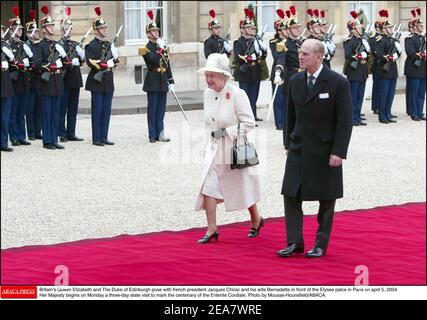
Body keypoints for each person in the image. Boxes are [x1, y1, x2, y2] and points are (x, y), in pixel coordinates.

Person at [278, 39, 353, 258]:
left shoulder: (337, 82)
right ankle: (294, 242)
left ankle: (320, 244)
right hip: (299, 147)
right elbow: (289, 115)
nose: (301, 57)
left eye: (306, 54)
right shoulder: (295, 81)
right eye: (300, 53)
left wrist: (339, 151)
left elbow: (344, 121)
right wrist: (288, 143)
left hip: (325, 150)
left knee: (326, 198)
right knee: (290, 193)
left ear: (319, 57)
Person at [195, 53, 263, 244]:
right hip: (213, 149)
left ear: (224, 76)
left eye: (212, 76)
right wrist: (208, 142)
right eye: (207, 76)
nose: (208, 80)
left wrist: (226, 132)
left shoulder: (237, 94)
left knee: (243, 187)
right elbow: (209, 123)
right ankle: (212, 230)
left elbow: (249, 123)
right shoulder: (207, 94)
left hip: (235, 150)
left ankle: (256, 218)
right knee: (207, 186)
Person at [34, 5, 67, 150]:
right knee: (46, 113)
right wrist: (51, 66)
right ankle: (47, 140)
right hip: (46, 83)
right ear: (43, 29)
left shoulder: (57, 45)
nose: (52, 28)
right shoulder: (39, 46)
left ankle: (54, 139)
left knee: (56, 112)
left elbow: (65, 64)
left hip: (57, 83)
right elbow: (36, 65)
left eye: (52, 25)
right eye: (49, 26)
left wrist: (63, 58)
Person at [139, 10, 174, 143]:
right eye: (153, 31)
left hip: (163, 79)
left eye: (157, 31)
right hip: (153, 79)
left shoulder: (163, 47)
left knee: (161, 111)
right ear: (148, 34)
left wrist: (171, 81)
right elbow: (152, 60)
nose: (156, 33)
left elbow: (167, 64)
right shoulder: (146, 48)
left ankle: (161, 134)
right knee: (152, 109)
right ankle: (152, 135)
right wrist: (160, 49)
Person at [85, 6, 119, 146]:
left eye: (105, 28)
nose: (105, 30)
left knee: (106, 111)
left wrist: (114, 59)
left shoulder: (109, 44)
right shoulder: (90, 46)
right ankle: (96, 138)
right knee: (97, 110)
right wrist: (105, 64)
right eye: (102, 28)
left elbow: (116, 61)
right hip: (97, 82)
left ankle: (104, 136)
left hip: (108, 81)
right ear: (96, 30)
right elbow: (91, 62)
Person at [233, 8, 267, 123]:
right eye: (249, 28)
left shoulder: (255, 41)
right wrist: (251, 57)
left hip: (255, 72)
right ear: (242, 30)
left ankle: (252, 115)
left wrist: (261, 50)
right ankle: (245, 118)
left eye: (252, 28)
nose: (252, 30)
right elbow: (239, 58)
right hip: (244, 72)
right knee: (245, 97)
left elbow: (263, 56)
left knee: (254, 96)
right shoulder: (238, 43)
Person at [274, 6, 303, 139]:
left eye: (299, 27)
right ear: (289, 30)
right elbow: (280, 60)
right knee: (288, 112)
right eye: (295, 28)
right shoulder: (284, 43)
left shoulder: (303, 42)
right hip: (291, 78)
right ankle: (287, 139)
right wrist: (278, 73)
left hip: (303, 79)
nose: (298, 30)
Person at [59, 7, 85, 142]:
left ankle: (71, 132)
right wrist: (69, 63)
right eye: (66, 28)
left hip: (75, 79)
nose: (68, 30)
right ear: (62, 30)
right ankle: (62, 133)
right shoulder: (59, 44)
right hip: (64, 79)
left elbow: (81, 62)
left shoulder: (76, 44)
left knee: (73, 109)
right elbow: (58, 62)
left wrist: (81, 55)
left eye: (70, 28)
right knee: (62, 108)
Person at [8, 6, 32, 147]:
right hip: (13, 81)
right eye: (17, 29)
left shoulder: (24, 45)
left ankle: (22, 136)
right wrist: (18, 64)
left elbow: (32, 63)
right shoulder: (8, 45)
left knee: (21, 111)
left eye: (21, 29)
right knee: (13, 110)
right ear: (11, 30)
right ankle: (14, 136)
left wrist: (27, 62)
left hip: (23, 81)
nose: (20, 31)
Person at [375, 9, 402, 124]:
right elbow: (379, 54)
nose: (391, 29)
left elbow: (398, 53)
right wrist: (389, 57)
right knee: (384, 93)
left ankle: (388, 113)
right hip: (384, 69)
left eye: (391, 27)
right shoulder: (380, 40)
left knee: (390, 94)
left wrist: (397, 53)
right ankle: (382, 116)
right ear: (384, 29)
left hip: (392, 70)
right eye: (389, 28)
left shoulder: (393, 39)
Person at [343, 11, 370, 126]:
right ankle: (352, 118)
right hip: (354, 72)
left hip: (362, 71)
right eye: (358, 27)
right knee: (353, 97)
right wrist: (360, 55)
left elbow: (368, 53)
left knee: (360, 96)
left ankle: (357, 116)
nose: (360, 29)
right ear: (353, 29)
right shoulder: (349, 41)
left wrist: (366, 52)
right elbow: (348, 55)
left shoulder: (361, 40)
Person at [404, 8, 426, 121]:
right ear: (414, 26)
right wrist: (421, 55)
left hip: (423, 68)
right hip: (414, 68)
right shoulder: (410, 38)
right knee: (414, 92)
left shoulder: (423, 38)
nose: (422, 27)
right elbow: (410, 52)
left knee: (421, 93)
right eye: (420, 26)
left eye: (422, 26)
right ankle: (414, 113)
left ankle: (420, 111)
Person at [25, 10, 42, 141]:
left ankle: (37, 130)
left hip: (41, 81)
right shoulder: (26, 46)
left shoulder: (40, 45)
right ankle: (30, 132)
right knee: (30, 108)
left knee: (39, 108)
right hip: (30, 80)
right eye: (34, 32)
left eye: (37, 31)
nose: (37, 33)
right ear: (28, 34)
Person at [269, 9, 287, 130]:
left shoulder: (290, 41)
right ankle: (279, 123)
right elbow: (277, 56)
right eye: (284, 29)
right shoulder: (273, 41)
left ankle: (286, 121)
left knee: (286, 99)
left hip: (289, 73)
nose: (286, 31)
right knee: (278, 99)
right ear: (279, 31)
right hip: (278, 72)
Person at [1, 25, 15, 152]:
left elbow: (14, 63)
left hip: (5, 84)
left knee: (5, 116)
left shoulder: (5, 45)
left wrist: (11, 59)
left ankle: (4, 143)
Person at [369, 17, 383, 115]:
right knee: (377, 87)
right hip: (378, 65)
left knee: (384, 88)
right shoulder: (373, 39)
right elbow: (375, 51)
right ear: (377, 28)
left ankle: (382, 107)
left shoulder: (386, 38)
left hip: (385, 65)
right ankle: (376, 107)